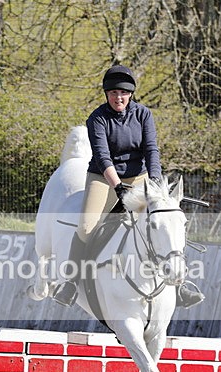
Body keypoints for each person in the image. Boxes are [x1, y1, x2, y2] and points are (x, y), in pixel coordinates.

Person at [52, 65, 203, 308]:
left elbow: (151, 149)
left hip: (139, 176)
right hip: (103, 177)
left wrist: (154, 182)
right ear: (106, 95)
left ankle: (182, 283)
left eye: (122, 93)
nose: (118, 98)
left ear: (130, 94)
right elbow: (102, 157)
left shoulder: (143, 115)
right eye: (113, 94)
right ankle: (70, 282)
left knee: (165, 220)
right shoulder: (97, 118)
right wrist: (118, 186)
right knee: (87, 225)